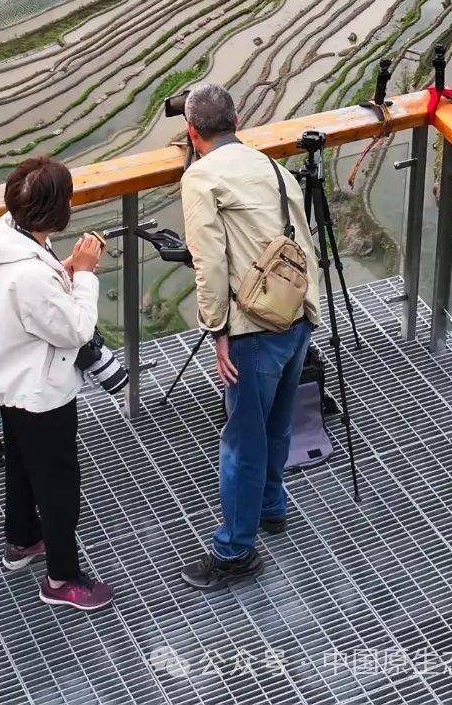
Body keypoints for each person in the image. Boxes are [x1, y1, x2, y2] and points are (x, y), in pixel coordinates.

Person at [177, 83, 321, 592]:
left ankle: (235, 550)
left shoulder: (200, 179)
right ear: (237, 121)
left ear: (193, 133)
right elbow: (303, 242)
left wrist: (216, 328)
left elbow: (209, 264)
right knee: (279, 421)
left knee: (241, 440)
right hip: (297, 315)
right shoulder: (274, 168)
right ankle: (272, 507)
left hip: (254, 329)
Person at [0, 155, 114, 613]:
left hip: (13, 379)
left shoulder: (7, 236)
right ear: (58, 211)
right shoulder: (30, 271)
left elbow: (33, 297)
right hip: (40, 389)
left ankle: (22, 541)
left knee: (23, 463)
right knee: (58, 483)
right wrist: (85, 274)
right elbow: (74, 330)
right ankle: (62, 578)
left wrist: (63, 269)